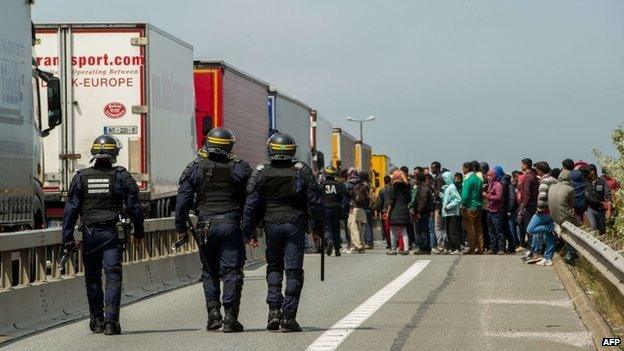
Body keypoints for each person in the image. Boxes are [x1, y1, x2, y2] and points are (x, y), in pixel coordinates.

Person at [62, 134, 144, 335]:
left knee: (92, 278)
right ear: (114, 153)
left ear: (93, 154)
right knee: (113, 276)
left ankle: (97, 321)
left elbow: (71, 210)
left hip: (90, 234)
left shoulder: (81, 177)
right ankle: (111, 323)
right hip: (112, 234)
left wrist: (67, 237)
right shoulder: (121, 176)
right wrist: (139, 233)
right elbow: (135, 207)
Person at [242, 133, 324, 332]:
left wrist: (249, 231)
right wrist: (318, 229)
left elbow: (251, 205)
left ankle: (274, 311)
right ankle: (288, 317)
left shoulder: (261, 170)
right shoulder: (301, 170)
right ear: (292, 150)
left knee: (274, 268)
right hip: (294, 225)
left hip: (272, 225)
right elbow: (316, 202)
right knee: (294, 271)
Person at [175, 128, 252, 333]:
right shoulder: (240, 168)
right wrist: (251, 226)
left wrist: (180, 227)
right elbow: (252, 198)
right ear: (230, 145)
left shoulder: (195, 168)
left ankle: (213, 315)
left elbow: (182, 200)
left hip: (205, 227)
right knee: (232, 271)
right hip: (231, 225)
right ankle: (229, 318)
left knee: (210, 271)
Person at [524, 162, 557, 264]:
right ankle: (548, 257)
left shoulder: (544, 181)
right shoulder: (554, 180)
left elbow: (542, 196)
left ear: (540, 170)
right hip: (552, 211)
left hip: (543, 211)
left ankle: (552, 227)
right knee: (549, 236)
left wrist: (539, 209)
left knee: (530, 229)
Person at [549, 167, 582, 264]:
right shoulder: (570, 189)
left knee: (567, 233)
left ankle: (571, 252)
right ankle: (572, 253)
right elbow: (572, 205)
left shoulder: (552, 187)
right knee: (578, 227)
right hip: (564, 216)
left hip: (553, 216)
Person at [321, 166, 348, 256]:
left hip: (325, 208)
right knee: (336, 229)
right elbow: (344, 198)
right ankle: (337, 250)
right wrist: (343, 209)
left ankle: (329, 240)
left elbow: (317, 197)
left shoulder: (321, 184)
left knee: (327, 228)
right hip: (336, 208)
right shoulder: (340, 184)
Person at [386, 170, 412, 255]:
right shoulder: (407, 187)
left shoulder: (392, 187)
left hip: (394, 211)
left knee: (393, 229)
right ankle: (406, 248)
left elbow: (391, 201)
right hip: (404, 210)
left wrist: (388, 212)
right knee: (404, 230)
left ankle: (393, 249)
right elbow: (409, 199)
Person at [461, 162, 484, 254]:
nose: (462, 170)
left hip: (469, 206)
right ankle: (480, 247)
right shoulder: (478, 178)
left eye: (463, 168)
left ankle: (471, 248)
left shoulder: (467, 179)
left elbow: (465, 195)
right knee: (479, 228)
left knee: (470, 228)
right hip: (478, 205)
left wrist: (463, 203)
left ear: (467, 168)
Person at [345, 170, 370, 253]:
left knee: (353, 228)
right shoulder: (362, 184)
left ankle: (357, 246)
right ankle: (362, 246)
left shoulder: (348, 184)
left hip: (353, 209)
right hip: (362, 208)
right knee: (360, 229)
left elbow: (345, 197)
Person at [518, 158, 538, 252]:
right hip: (533, 204)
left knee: (529, 228)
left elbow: (527, 194)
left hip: (529, 206)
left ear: (525, 165)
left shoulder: (527, 177)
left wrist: (523, 206)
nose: (521, 166)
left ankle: (532, 250)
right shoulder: (533, 175)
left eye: (521, 164)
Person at [412, 173, 434, 254]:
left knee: (423, 230)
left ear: (419, 180)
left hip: (423, 212)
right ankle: (424, 248)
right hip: (423, 212)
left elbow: (423, 201)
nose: (415, 181)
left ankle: (424, 248)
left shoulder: (424, 188)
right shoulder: (422, 187)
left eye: (416, 179)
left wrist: (419, 211)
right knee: (422, 230)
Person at [484, 169, 505, 254]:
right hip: (490, 210)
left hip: (496, 211)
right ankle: (493, 248)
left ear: (494, 176)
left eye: (490, 176)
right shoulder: (490, 185)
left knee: (498, 231)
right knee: (491, 231)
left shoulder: (497, 185)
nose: (488, 177)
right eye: (487, 176)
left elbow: (498, 197)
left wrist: (487, 196)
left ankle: (501, 249)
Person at [441, 171, 462, 254]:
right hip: (448, 213)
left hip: (453, 213)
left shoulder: (452, 187)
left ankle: (457, 248)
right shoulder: (448, 187)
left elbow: (458, 199)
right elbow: (447, 198)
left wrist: (448, 206)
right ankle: (452, 248)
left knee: (454, 231)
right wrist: (440, 194)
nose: (444, 180)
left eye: (445, 178)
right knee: (449, 231)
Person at [585, 164, 610, 235]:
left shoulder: (602, 181)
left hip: (601, 210)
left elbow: (607, 193)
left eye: (588, 172)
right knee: (593, 227)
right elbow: (587, 197)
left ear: (593, 171)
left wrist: (609, 204)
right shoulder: (586, 183)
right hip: (590, 208)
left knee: (602, 230)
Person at [376, 175, 393, 249]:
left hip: (384, 211)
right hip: (392, 210)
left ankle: (389, 243)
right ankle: (394, 243)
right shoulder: (393, 189)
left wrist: (378, 211)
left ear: (384, 181)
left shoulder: (381, 190)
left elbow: (379, 202)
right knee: (393, 227)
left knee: (385, 228)